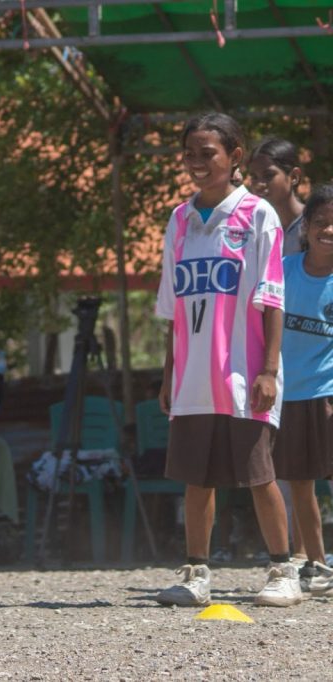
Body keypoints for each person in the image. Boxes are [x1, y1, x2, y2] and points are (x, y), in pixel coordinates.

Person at [154, 112, 301, 608]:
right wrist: (169, 372)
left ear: (235, 156)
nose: (196, 163)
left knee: (259, 474)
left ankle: (284, 570)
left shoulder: (258, 215)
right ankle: (196, 572)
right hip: (193, 376)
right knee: (198, 476)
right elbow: (173, 307)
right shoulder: (178, 220)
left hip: (243, 373)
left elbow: (273, 297)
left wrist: (269, 368)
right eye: (189, 153)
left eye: (207, 153)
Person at [247, 137, 309, 561]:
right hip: (278, 358)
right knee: (284, 461)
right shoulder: (256, 226)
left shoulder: (317, 229)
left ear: (295, 177)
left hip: (316, 355)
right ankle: (295, 558)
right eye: (254, 178)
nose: (260, 185)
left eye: (269, 176)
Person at [269, 184, 333, 595]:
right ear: (306, 226)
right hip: (288, 394)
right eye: (322, 222)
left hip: (328, 393)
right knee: (300, 482)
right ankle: (316, 563)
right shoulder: (284, 270)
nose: (329, 230)